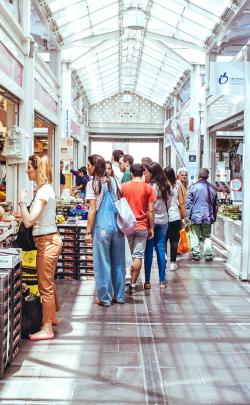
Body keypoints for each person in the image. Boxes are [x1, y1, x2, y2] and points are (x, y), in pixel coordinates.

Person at [18, 155, 62, 340]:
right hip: (47, 240)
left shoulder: (43, 191)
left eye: (29, 167)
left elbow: (28, 222)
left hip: (47, 242)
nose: (27, 170)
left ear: (38, 170)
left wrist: (21, 201)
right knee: (48, 282)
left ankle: (47, 328)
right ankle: (51, 317)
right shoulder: (43, 190)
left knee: (45, 285)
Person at [85, 154, 125, 306]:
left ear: (95, 166)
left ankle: (105, 298)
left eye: (89, 165)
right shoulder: (114, 180)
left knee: (102, 262)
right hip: (117, 226)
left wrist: (88, 231)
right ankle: (120, 296)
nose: (87, 168)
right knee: (118, 262)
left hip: (102, 227)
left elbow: (92, 210)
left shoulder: (93, 183)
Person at [121, 164, 155, 293]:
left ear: (131, 174)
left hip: (126, 226)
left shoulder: (123, 187)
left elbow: (119, 205)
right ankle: (133, 284)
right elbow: (151, 210)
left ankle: (127, 276)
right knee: (138, 255)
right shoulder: (149, 188)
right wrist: (151, 227)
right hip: (142, 226)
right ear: (143, 173)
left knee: (126, 254)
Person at [144, 162, 171, 289]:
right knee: (160, 249)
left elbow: (150, 208)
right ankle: (161, 280)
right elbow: (169, 204)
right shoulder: (167, 186)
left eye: (147, 172)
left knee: (149, 250)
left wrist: (150, 224)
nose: (145, 174)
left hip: (152, 221)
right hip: (164, 220)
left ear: (153, 173)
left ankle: (148, 281)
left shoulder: (150, 187)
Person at [186, 168, 218, 261]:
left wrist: (187, 216)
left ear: (198, 176)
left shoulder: (193, 187)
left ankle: (196, 254)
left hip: (195, 215)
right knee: (207, 236)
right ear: (208, 176)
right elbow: (216, 205)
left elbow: (189, 203)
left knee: (195, 235)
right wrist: (214, 217)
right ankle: (208, 255)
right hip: (208, 215)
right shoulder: (213, 188)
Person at [164, 167, 184, 271]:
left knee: (163, 239)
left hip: (164, 215)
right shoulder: (178, 184)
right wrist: (183, 214)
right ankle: (173, 262)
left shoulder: (162, 185)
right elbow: (181, 201)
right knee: (174, 240)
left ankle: (163, 257)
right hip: (175, 216)